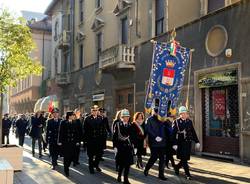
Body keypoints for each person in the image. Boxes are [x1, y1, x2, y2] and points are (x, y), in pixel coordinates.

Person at [172, 106, 200, 180]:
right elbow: (173, 134)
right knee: (184, 159)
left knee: (185, 159)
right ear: (180, 114)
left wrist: (197, 141)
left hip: (188, 143)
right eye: (182, 113)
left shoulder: (189, 121)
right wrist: (174, 144)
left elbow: (193, 132)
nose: (184, 115)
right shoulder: (176, 122)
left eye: (185, 113)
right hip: (180, 143)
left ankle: (176, 167)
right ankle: (188, 174)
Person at [144, 107, 168, 181]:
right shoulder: (149, 119)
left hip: (162, 142)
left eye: (158, 112)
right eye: (155, 111)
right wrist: (155, 137)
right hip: (153, 142)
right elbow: (148, 129)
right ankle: (147, 168)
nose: (156, 113)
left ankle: (161, 174)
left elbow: (166, 129)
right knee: (154, 157)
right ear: (153, 112)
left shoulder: (162, 119)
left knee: (162, 159)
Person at [113, 109, 134, 184]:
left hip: (128, 147)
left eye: (128, 116)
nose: (127, 118)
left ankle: (126, 179)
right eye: (125, 116)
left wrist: (135, 147)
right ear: (122, 117)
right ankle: (119, 175)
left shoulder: (131, 125)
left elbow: (132, 137)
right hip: (120, 147)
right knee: (121, 164)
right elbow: (115, 137)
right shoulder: (118, 125)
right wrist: (115, 147)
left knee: (128, 165)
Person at [58, 111, 81, 177]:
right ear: (69, 116)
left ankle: (67, 165)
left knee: (72, 157)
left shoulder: (75, 122)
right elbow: (61, 132)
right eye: (73, 115)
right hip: (66, 143)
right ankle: (66, 169)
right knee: (66, 157)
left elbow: (77, 133)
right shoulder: (63, 122)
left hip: (73, 143)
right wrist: (60, 141)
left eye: (74, 115)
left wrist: (77, 141)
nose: (74, 116)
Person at [83, 105, 104, 174]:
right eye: (94, 110)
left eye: (97, 110)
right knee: (91, 156)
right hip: (90, 140)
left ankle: (96, 165)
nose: (95, 112)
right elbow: (85, 130)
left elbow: (102, 129)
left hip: (98, 140)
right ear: (91, 111)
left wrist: (103, 139)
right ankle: (91, 168)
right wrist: (85, 141)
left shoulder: (100, 118)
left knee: (99, 155)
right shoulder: (87, 119)